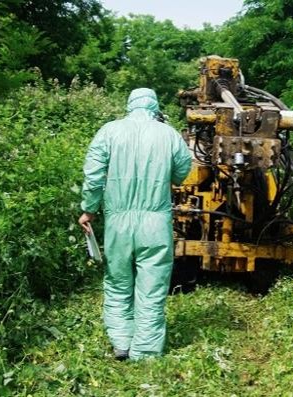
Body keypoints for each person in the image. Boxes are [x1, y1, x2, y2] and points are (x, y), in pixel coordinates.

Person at [78, 88, 193, 361]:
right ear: (155, 107)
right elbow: (182, 172)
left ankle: (121, 342)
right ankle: (146, 351)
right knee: (151, 287)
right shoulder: (170, 134)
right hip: (156, 221)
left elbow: (93, 176)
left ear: (129, 105)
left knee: (118, 282)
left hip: (118, 220)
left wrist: (88, 210)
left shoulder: (109, 131)